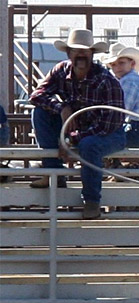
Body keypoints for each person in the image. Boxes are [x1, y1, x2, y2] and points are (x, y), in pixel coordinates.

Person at [29, 28, 126, 220]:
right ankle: (54, 171)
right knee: (40, 113)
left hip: (109, 133)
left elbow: (108, 124)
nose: (80, 55)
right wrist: (62, 108)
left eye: (85, 51)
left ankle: (92, 201)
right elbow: (37, 95)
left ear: (92, 54)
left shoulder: (106, 80)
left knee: (89, 145)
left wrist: (70, 140)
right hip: (79, 129)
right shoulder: (60, 70)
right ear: (68, 53)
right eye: (76, 50)